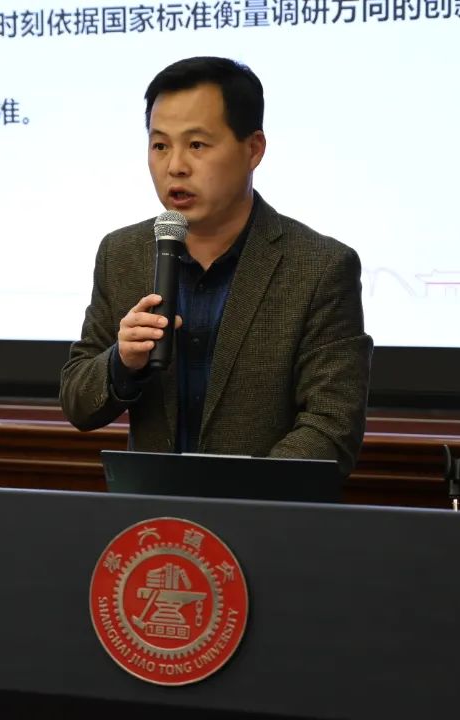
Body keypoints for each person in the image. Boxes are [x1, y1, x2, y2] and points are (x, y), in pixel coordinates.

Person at [59, 56, 372, 475]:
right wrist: (122, 362)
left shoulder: (320, 267)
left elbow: (331, 427)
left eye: (197, 145)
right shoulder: (123, 253)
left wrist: (236, 497)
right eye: (160, 145)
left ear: (253, 149)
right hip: (153, 513)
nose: (175, 166)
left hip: (261, 511)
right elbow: (78, 402)